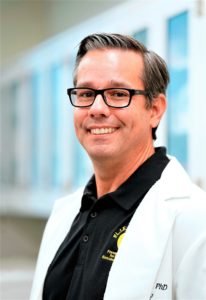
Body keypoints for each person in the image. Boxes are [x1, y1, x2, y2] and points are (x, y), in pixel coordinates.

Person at [30, 33, 206, 300]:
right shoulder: (64, 213)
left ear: (155, 109)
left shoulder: (194, 219)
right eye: (86, 93)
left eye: (117, 93)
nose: (97, 108)